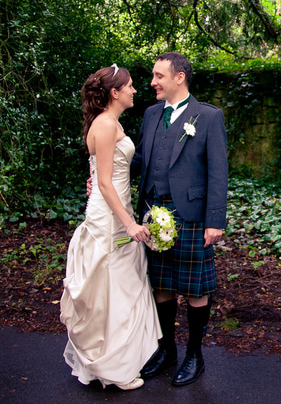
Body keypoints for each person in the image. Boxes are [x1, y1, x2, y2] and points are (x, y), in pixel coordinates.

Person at [60, 64, 161, 390]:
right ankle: (111, 368)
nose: (135, 90)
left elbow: (101, 173)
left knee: (122, 289)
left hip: (118, 210)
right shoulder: (104, 124)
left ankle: (118, 362)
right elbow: (104, 183)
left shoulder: (111, 122)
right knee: (111, 291)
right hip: (109, 220)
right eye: (129, 86)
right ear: (114, 92)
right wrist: (129, 224)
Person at [132, 52, 228, 387]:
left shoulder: (208, 117)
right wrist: (104, 175)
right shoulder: (151, 114)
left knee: (195, 289)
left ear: (179, 77)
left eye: (159, 76)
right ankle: (166, 350)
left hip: (191, 217)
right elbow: (139, 160)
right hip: (152, 212)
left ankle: (194, 356)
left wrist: (215, 220)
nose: (152, 82)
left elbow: (218, 172)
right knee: (161, 286)